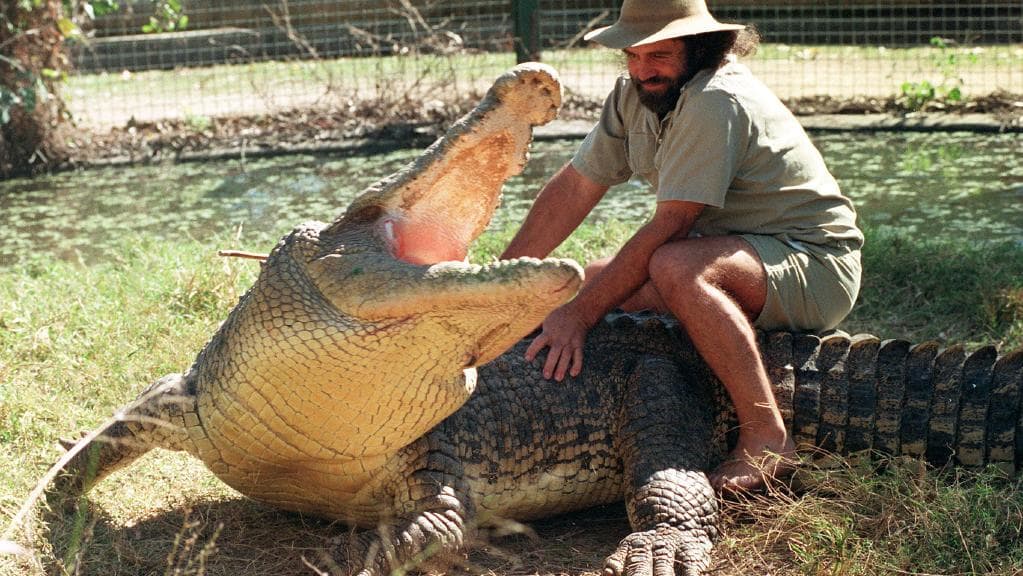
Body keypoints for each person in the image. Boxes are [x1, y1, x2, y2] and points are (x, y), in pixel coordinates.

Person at [500, 0, 863, 492]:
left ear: (700, 48)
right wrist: (503, 281)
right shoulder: (634, 93)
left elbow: (671, 226)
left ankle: (766, 437)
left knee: (672, 267)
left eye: (660, 56)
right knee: (588, 277)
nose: (643, 70)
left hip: (814, 264)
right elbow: (575, 187)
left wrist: (580, 316)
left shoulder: (715, 99)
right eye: (633, 55)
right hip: (734, 250)